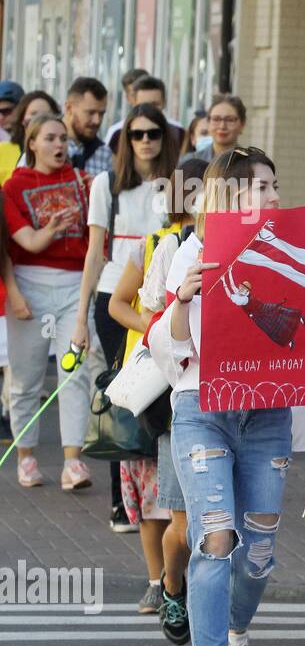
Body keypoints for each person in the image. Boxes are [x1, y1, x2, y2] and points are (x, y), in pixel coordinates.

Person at [149, 146, 305, 646]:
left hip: (267, 412)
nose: (275, 196)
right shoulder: (184, 250)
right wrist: (183, 296)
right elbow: (167, 346)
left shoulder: (297, 251)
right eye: (262, 187)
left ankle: (234, 628)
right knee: (215, 536)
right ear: (230, 194)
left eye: (276, 185)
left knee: (258, 552)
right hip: (202, 407)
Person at [72, 102, 178, 541]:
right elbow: (95, 252)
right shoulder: (106, 184)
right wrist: (79, 319)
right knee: (123, 393)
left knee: (160, 397)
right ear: (125, 140)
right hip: (115, 297)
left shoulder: (176, 184)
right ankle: (122, 497)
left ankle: (163, 497)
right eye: (136, 134)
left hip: (162, 300)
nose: (146, 141)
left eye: (154, 133)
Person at [113, 157, 205, 644]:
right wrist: (174, 322)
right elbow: (140, 312)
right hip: (175, 396)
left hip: (230, 399)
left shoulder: (246, 244)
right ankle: (172, 585)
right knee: (182, 519)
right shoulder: (166, 244)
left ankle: (218, 614)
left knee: (222, 521)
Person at [2, 114, 95, 490]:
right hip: (30, 282)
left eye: (64, 139)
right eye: (51, 138)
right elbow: (19, 244)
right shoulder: (14, 186)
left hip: (75, 283)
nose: (60, 145)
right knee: (26, 377)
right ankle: (26, 456)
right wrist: (14, 291)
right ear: (33, 143)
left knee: (76, 373)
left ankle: (73, 461)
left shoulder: (82, 182)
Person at [106, 76, 185, 152]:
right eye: (144, 105)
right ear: (134, 103)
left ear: (164, 102)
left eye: (155, 104)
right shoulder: (118, 134)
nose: (149, 110)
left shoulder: (178, 133)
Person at [1, 90, 59, 185]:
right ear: (22, 119)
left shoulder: (62, 153)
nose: (40, 121)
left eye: (47, 115)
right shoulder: (2, 150)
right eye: (34, 114)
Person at [63, 77, 113, 176]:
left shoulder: (105, 154)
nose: (97, 121)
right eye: (90, 113)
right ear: (69, 108)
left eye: (101, 114)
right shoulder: (43, 147)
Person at [180, 94, 245, 165]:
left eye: (230, 120)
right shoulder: (188, 161)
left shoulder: (251, 163)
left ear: (242, 124)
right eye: (216, 119)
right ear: (208, 122)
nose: (222, 126)